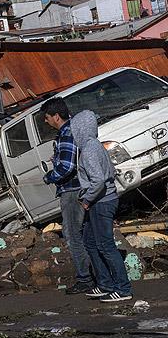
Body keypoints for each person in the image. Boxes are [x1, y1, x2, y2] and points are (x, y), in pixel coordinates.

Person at [71, 110, 132, 303]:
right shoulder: (95, 145)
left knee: (105, 245)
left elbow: (98, 180)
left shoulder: (89, 148)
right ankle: (105, 283)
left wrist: (87, 199)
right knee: (90, 242)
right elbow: (109, 171)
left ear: (79, 129)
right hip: (103, 199)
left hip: (101, 202)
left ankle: (123, 288)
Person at [41, 97, 94, 295]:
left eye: (47, 117)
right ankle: (94, 274)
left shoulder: (66, 133)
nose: (46, 121)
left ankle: (85, 278)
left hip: (72, 191)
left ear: (56, 116)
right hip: (81, 188)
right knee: (85, 234)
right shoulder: (75, 130)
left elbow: (68, 167)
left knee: (73, 235)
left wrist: (49, 176)